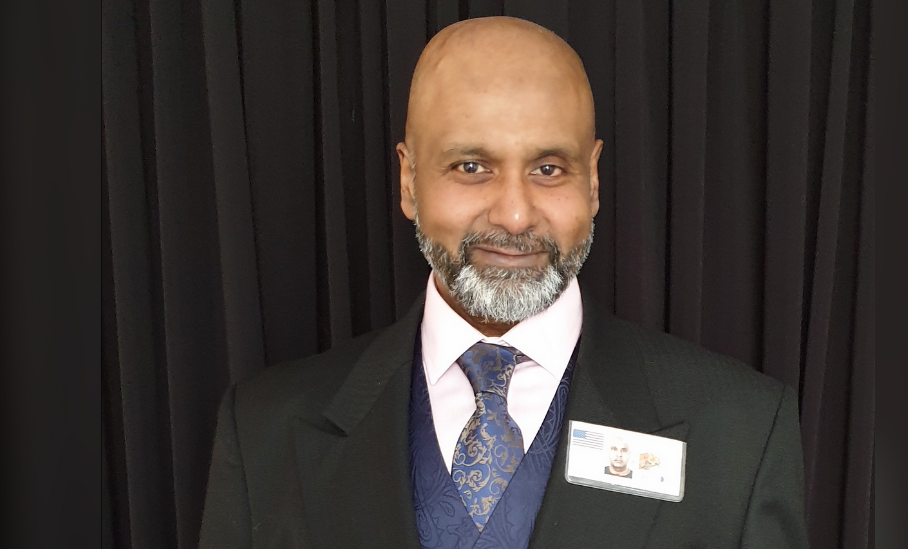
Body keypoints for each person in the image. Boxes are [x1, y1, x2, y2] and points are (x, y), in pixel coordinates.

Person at [199, 16, 808, 549]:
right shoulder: (264, 436)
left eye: (548, 169)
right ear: (409, 180)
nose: (515, 215)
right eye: (471, 167)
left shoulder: (741, 434)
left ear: (592, 181)